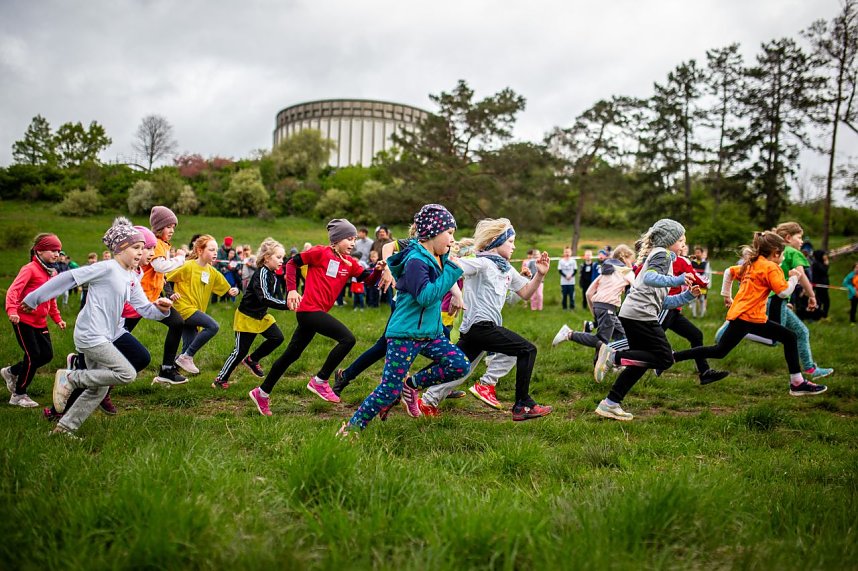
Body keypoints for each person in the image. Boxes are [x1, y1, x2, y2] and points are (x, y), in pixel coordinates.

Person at [22, 218, 172, 438]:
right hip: (91, 335)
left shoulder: (130, 276)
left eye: (143, 248)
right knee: (126, 374)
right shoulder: (107, 268)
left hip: (107, 336)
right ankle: (71, 378)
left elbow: (146, 309)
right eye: (136, 247)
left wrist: (163, 308)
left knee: (98, 389)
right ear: (120, 249)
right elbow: (69, 278)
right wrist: (34, 298)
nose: (141, 253)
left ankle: (63, 430)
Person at [337, 204, 469, 436]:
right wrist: (451, 271)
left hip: (431, 333)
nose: (451, 239)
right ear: (433, 233)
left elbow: (440, 283)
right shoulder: (416, 260)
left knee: (459, 365)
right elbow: (427, 297)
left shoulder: (438, 256)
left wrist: (451, 267)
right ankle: (351, 429)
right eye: (449, 233)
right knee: (388, 391)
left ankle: (412, 385)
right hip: (405, 335)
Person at [420, 217, 553, 421]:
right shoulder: (481, 263)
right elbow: (453, 267)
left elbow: (525, 293)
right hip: (479, 327)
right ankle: (517, 402)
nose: (514, 246)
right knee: (526, 349)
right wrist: (450, 263)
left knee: (460, 369)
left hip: (481, 329)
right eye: (510, 241)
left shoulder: (505, 268)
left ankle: (424, 399)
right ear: (496, 241)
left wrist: (539, 275)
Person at [248, 219, 382, 416]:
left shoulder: (350, 263)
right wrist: (292, 290)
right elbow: (292, 263)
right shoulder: (321, 252)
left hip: (315, 313)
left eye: (354, 239)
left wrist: (377, 271)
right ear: (336, 240)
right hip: (309, 310)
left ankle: (262, 392)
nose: (353, 243)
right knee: (348, 339)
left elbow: (368, 280)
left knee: (291, 355)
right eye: (348, 239)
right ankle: (320, 381)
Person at [673, 231, 827, 397]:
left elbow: (728, 272)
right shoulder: (771, 267)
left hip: (744, 316)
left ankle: (673, 357)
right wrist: (794, 278)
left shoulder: (751, 263)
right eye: (782, 254)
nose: (782, 257)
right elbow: (783, 293)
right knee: (789, 337)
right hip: (749, 317)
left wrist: (727, 296)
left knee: (720, 351)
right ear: (775, 253)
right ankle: (797, 383)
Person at [592, 219, 700, 421]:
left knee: (640, 362)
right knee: (665, 358)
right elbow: (651, 278)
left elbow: (661, 300)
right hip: (640, 315)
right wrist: (678, 279)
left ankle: (610, 404)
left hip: (634, 312)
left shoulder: (662, 256)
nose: (684, 244)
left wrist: (687, 296)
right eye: (681, 240)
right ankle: (613, 357)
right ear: (669, 240)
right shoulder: (663, 254)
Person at [213, 238, 288, 389]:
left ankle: (252, 360)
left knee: (277, 337)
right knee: (239, 351)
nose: (282, 261)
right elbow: (265, 298)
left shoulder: (272, 274)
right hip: (247, 316)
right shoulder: (261, 273)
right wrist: (287, 305)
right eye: (278, 257)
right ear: (267, 258)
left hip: (261, 316)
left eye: (283, 258)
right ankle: (220, 379)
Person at [2, 233, 67, 408]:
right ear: (39, 251)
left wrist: (57, 318)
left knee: (46, 355)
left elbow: (51, 298)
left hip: (40, 322)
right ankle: (19, 394)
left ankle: (11, 372)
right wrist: (12, 310)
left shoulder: (51, 272)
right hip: (23, 320)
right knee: (33, 355)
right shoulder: (29, 269)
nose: (56, 254)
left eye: (58, 251)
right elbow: (13, 291)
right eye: (52, 250)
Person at [167, 235, 239, 375]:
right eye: (211, 250)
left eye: (216, 250)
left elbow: (227, 290)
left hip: (195, 310)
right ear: (200, 251)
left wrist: (234, 291)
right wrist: (170, 294)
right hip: (183, 308)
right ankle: (187, 357)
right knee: (213, 326)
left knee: (187, 348)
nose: (215, 253)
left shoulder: (212, 272)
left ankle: (167, 373)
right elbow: (166, 279)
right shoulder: (188, 266)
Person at [552, 244, 635, 359]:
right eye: (632, 261)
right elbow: (637, 288)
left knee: (622, 335)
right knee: (601, 340)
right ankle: (569, 334)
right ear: (625, 258)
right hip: (608, 308)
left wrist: (594, 313)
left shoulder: (606, 271)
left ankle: (609, 362)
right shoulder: (626, 272)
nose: (633, 264)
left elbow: (589, 293)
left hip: (600, 306)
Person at [140, 205, 190, 385]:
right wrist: (180, 258)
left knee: (177, 323)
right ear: (159, 227)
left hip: (152, 298)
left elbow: (161, 274)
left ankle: (167, 369)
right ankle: (83, 361)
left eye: (174, 227)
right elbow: (160, 266)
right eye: (169, 226)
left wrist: (168, 293)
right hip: (138, 298)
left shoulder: (163, 245)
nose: (172, 231)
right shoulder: (155, 242)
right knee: (118, 334)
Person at [690, 246, 712, 318]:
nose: (697, 254)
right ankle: (694, 315)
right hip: (694, 283)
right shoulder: (692, 263)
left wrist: (708, 284)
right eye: (696, 253)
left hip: (703, 284)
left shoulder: (706, 263)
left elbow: (708, 274)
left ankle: (702, 315)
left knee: (702, 299)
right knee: (693, 299)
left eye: (699, 253)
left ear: (702, 254)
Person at [810, 250, 830, 321]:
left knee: (825, 302)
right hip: (820, 286)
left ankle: (823, 316)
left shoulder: (819, 263)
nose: (825, 256)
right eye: (824, 255)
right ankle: (818, 316)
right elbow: (824, 271)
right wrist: (826, 264)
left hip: (823, 286)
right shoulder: (816, 264)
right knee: (821, 302)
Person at [558, 246, 577, 311]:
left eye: (568, 252)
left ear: (571, 253)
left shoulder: (573, 261)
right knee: (564, 295)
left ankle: (572, 307)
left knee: (572, 295)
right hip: (564, 282)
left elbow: (575, 270)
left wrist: (570, 276)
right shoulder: (561, 261)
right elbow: (560, 270)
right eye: (566, 252)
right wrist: (565, 276)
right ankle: (564, 308)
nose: (567, 253)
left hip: (571, 282)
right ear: (563, 253)